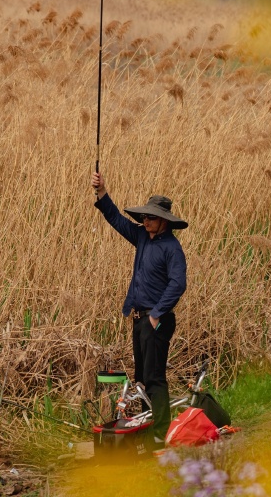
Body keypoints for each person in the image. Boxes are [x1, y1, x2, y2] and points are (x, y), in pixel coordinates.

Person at [91, 170, 187, 445]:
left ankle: (160, 436)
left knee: (155, 380)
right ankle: (147, 430)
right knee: (142, 380)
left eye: (150, 217)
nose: (145, 221)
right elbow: (116, 219)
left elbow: (178, 284)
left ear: (164, 221)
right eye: (144, 216)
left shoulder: (172, 249)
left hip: (157, 321)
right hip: (139, 319)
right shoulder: (143, 237)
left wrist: (157, 315)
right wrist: (101, 192)